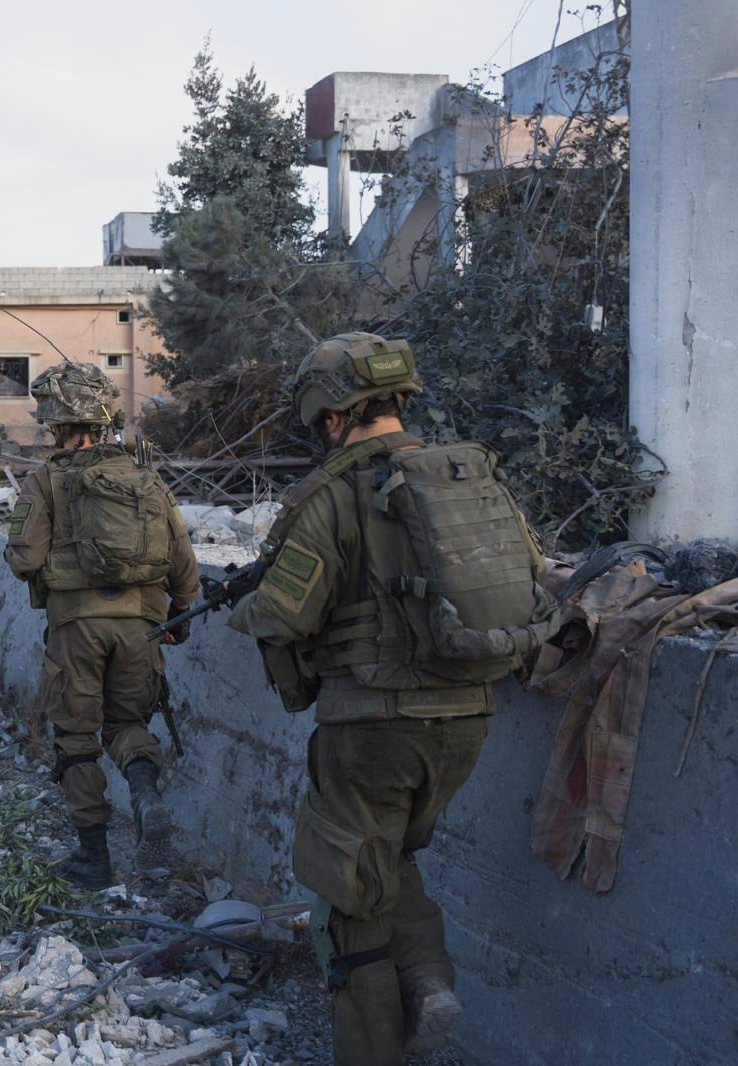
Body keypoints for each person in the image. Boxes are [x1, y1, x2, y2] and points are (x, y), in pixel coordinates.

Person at [227, 332, 554, 1065]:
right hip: (468, 719)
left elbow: (283, 615)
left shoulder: (332, 494)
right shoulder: (471, 479)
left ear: (331, 414)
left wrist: (240, 612)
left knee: (351, 910)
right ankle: (432, 984)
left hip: (371, 728)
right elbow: (535, 580)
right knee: (392, 863)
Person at [3, 362, 200, 889]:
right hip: (142, 627)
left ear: (58, 424)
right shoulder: (147, 478)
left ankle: (94, 858)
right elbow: (183, 556)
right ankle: (145, 797)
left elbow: (23, 558)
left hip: (76, 630)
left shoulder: (47, 479)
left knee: (77, 737)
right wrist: (180, 614)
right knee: (128, 726)